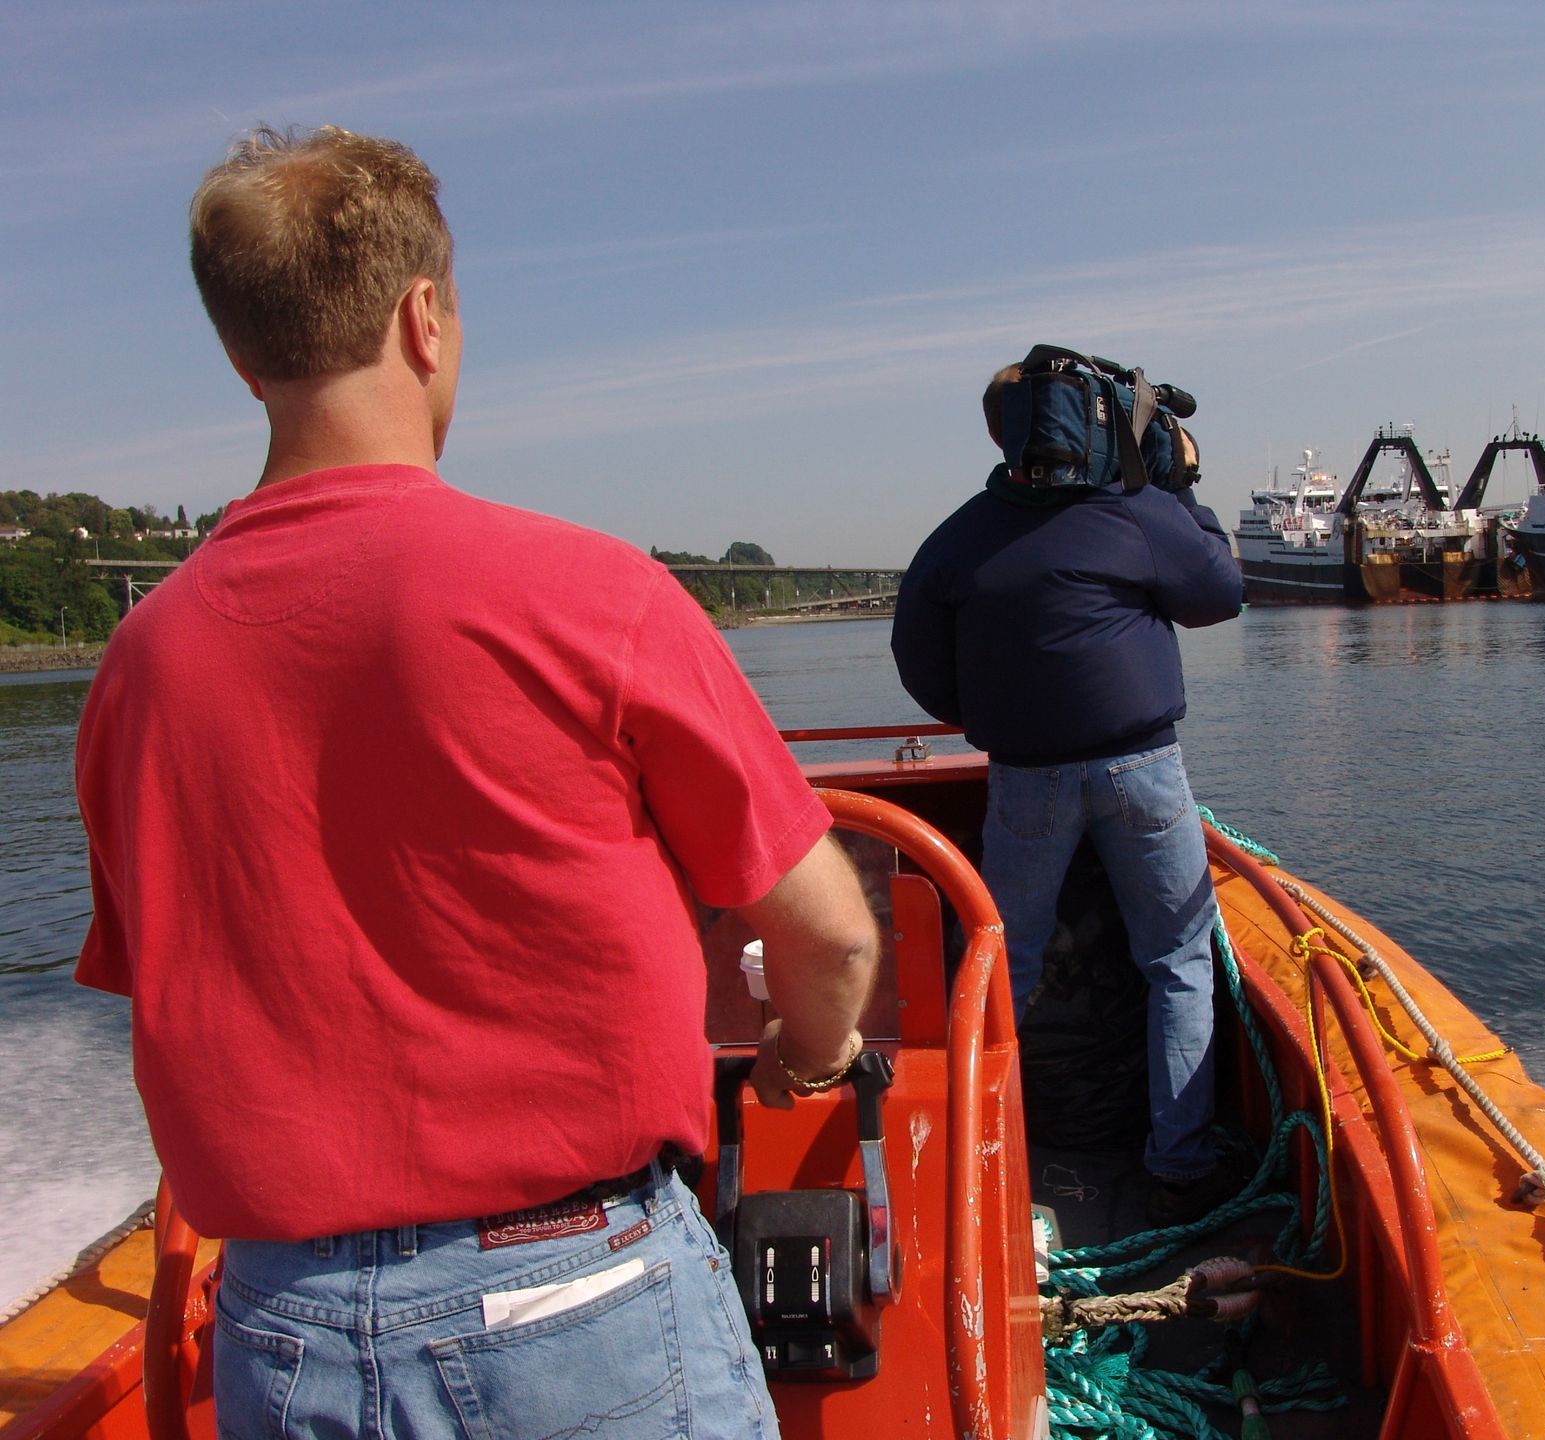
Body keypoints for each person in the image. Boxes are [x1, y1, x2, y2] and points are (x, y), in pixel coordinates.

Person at [73, 125, 878, 1440]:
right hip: (578, 1298)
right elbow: (833, 932)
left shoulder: (137, 668)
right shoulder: (591, 595)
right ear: (425, 317)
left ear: (241, 357)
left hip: (282, 1330)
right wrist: (811, 1052)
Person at [890, 360, 1244, 1226]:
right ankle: (1183, 1160)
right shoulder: (1135, 511)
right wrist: (1182, 486)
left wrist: (989, 718)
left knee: (999, 968)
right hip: (1142, 769)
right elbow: (1221, 594)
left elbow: (917, 655)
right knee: (1177, 962)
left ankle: (986, 1151)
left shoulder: (962, 536)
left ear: (1001, 434)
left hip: (1025, 776)